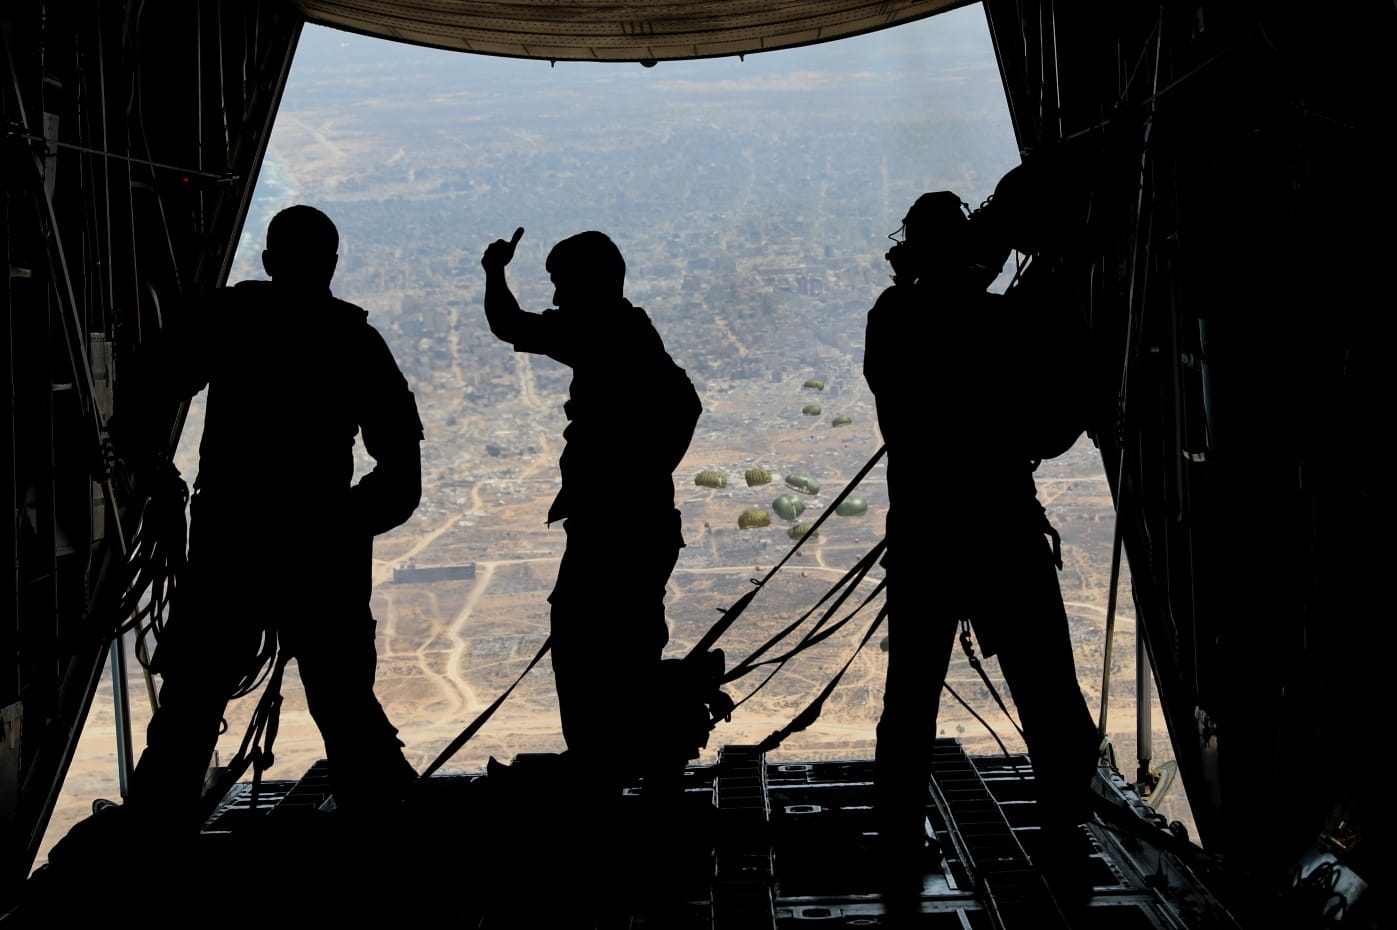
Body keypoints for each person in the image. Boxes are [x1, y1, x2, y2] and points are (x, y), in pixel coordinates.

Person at [114, 204, 425, 835]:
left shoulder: (230, 321)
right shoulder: (352, 340)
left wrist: (154, 469)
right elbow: (401, 478)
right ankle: (390, 843)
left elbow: (146, 384)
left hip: (233, 544)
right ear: (332, 265)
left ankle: (146, 849)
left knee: (192, 709)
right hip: (318, 554)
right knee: (344, 706)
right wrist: (339, 523)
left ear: (267, 262)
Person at [864, 190, 1100, 919]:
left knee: (909, 705)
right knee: (1050, 700)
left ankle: (898, 841)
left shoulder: (891, 318)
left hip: (926, 538)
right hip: (1000, 533)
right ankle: (1063, 834)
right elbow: (1052, 427)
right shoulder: (1005, 323)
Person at [480, 228, 703, 801]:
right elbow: (685, 404)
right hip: (635, 521)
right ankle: (628, 759)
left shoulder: (600, 330)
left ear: (589, 283)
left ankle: (604, 764)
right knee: (619, 646)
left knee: (587, 644)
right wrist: (648, 472)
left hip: (616, 527)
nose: (555, 298)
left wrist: (494, 273)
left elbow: (511, 324)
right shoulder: (624, 329)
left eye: (561, 284)